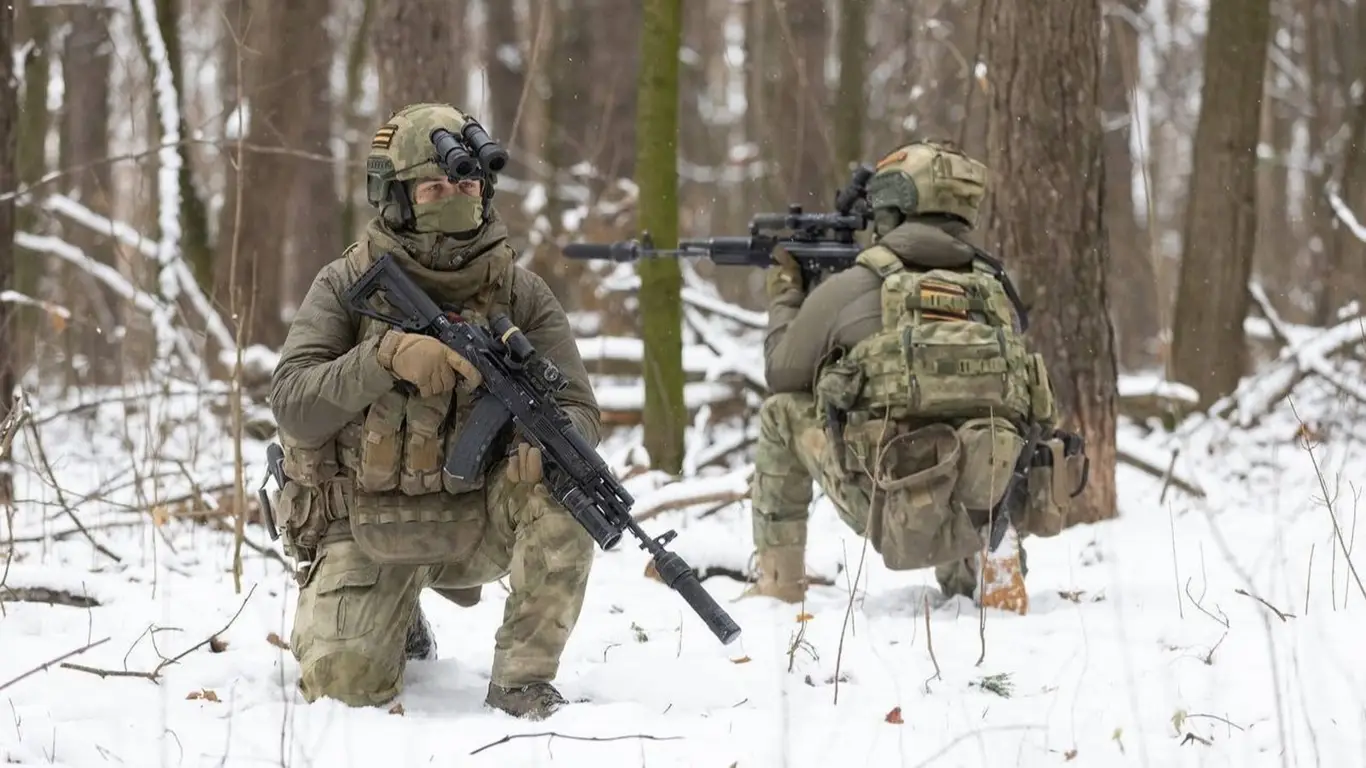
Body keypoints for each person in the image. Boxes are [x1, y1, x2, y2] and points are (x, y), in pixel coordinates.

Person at [267, 102, 600, 719]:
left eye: (467, 186)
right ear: (395, 198)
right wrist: (385, 357)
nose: (456, 199)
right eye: (434, 188)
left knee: (570, 488)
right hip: (364, 522)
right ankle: (397, 614)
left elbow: (578, 405)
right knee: (344, 687)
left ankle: (522, 683)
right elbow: (292, 404)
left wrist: (544, 445)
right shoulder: (347, 283)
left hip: (476, 519)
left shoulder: (520, 293)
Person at [743, 140, 1088, 613]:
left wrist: (787, 293)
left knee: (779, 414)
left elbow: (783, 372)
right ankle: (989, 559)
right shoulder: (995, 295)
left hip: (888, 498)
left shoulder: (856, 286)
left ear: (892, 206)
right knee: (977, 428)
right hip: (987, 493)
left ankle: (778, 585)